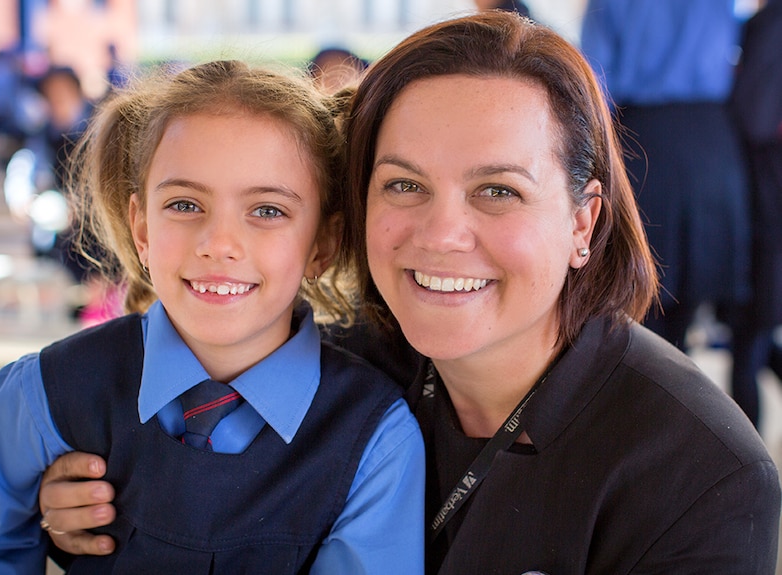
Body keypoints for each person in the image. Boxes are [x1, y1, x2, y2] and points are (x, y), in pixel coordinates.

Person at [40, 11, 781, 574]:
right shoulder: (324, 373)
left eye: (497, 190)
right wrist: (91, 507)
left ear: (583, 221)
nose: (441, 232)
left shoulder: (703, 475)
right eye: (403, 184)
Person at [0, 60, 425, 574]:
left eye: (268, 210)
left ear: (323, 241)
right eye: (185, 205)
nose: (219, 244)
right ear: (141, 229)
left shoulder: (377, 443)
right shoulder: (41, 399)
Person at [581, 0, 752, 350]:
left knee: (640, 286)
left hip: (643, 144)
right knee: (693, 287)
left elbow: (594, 82)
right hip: (711, 146)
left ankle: (653, 385)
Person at [727, 0, 782, 428]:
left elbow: (757, 118)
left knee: (751, 337)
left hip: (767, 203)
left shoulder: (771, 23)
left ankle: (746, 475)